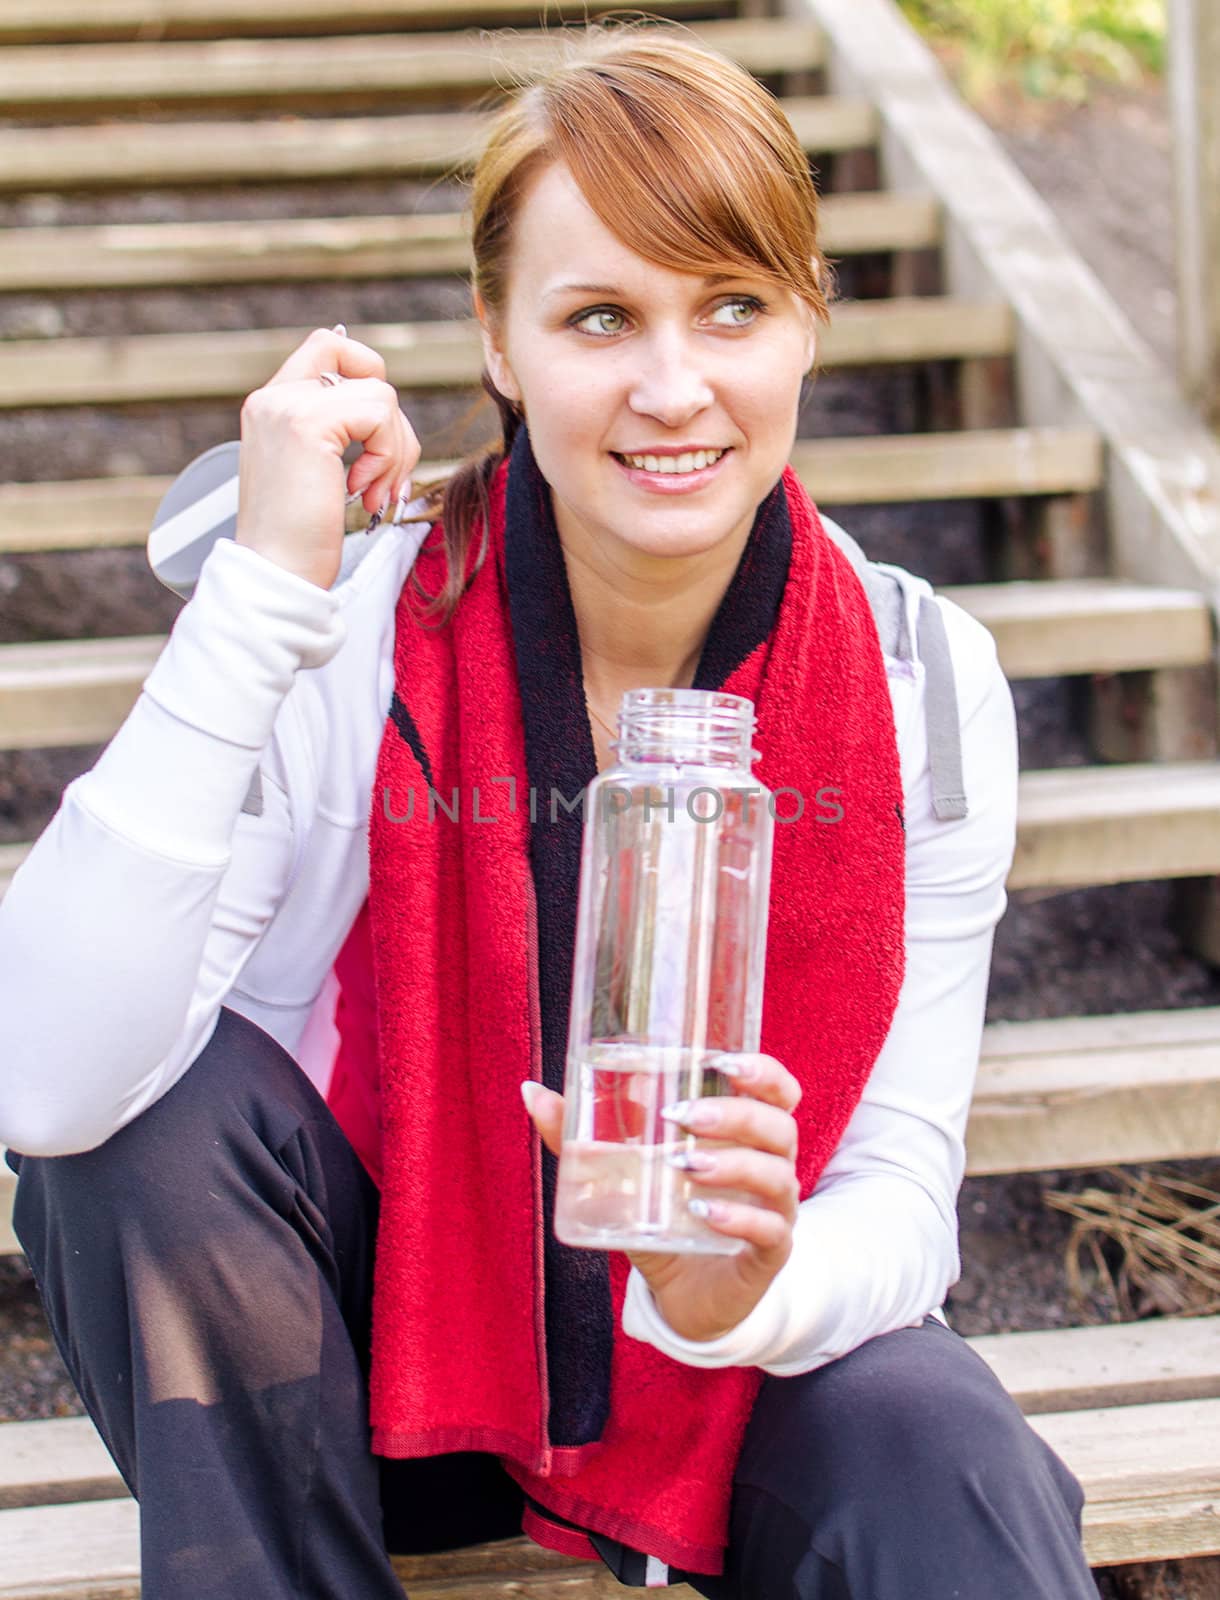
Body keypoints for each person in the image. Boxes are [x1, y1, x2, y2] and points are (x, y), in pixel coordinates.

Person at [0, 22, 1098, 1600]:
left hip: (719, 1367)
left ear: (809, 326)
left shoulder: (925, 677)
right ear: (499, 344)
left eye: (731, 306)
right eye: (600, 315)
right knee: (145, 1131)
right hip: (361, 1368)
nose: (673, 387)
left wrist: (743, 1293)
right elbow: (41, 1090)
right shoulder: (359, 619)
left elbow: (902, 1196)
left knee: (945, 1451)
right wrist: (257, 596)